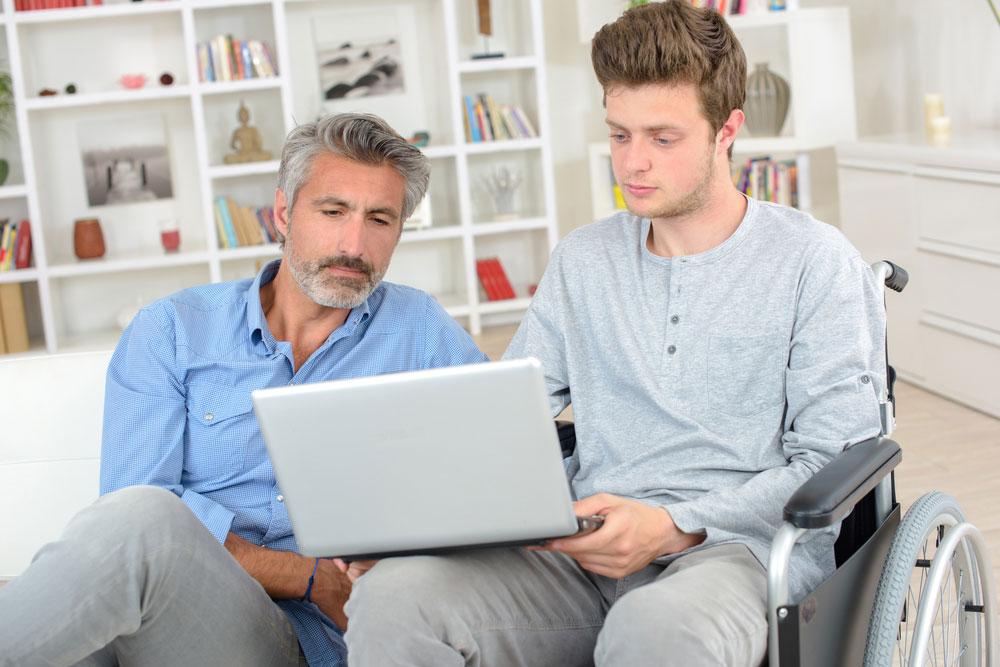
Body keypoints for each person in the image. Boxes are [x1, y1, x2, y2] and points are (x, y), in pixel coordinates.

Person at [343, 3, 886, 665]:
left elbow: (830, 461)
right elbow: (504, 420)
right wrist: (408, 522)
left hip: (733, 556)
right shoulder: (585, 259)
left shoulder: (814, 262)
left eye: (662, 137)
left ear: (727, 131)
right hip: (583, 553)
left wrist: (672, 526)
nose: (633, 163)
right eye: (620, 134)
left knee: (655, 631)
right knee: (394, 598)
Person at [0, 112, 487, 667]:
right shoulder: (174, 331)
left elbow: (490, 477)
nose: (354, 244)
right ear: (284, 212)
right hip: (179, 613)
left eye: (380, 219)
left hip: (311, 642)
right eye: (333, 211)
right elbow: (133, 508)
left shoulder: (420, 331)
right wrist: (306, 576)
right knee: (139, 525)